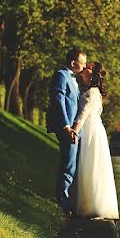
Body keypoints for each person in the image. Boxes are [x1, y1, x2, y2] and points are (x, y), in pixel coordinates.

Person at [70, 62, 119, 220]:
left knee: (90, 166)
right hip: (95, 130)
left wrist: (74, 132)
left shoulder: (92, 92)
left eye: (88, 67)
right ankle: (88, 204)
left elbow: (82, 115)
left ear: (93, 74)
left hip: (91, 131)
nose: (84, 68)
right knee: (90, 166)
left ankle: (92, 206)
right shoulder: (91, 91)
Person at [46, 47, 86, 217]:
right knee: (68, 166)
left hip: (75, 130)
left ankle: (69, 202)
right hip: (67, 129)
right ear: (73, 63)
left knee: (74, 166)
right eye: (82, 63)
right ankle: (63, 204)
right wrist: (66, 126)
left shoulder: (73, 79)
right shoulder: (61, 76)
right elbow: (58, 101)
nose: (84, 67)